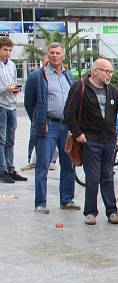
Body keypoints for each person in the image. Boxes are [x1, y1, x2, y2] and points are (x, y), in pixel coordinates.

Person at [63, 59, 118, 225]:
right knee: (92, 177)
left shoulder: (112, 90)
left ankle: (112, 211)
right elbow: (69, 112)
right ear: (95, 71)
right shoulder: (81, 87)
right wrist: (78, 133)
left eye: (111, 72)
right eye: (106, 71)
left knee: (108, 175)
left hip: (108, 139)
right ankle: (90, 212)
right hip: (90, 139)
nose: (109, 75)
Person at [25, 42, 78, 214]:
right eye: (51, 53)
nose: (54, 56)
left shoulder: (68, 75)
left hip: (66, 126)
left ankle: (67, 200)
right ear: (47, 55)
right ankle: (40, 203)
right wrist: (39, 120)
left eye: (57, 53)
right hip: (48, 126)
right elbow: (29, 103)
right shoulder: (37, 76)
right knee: (42, 165)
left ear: (63, 56)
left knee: (68, 164)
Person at [0, 37, 25, 183]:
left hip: (12, 106)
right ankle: (2, 170)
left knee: (11, 140)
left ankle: (10, 168)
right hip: (1, 106)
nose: (7, 53)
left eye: (9, 50)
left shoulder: (12, 65)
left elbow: (14, 82)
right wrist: (5, 89)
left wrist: (15, 89)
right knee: (1, 140)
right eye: (4, 50)